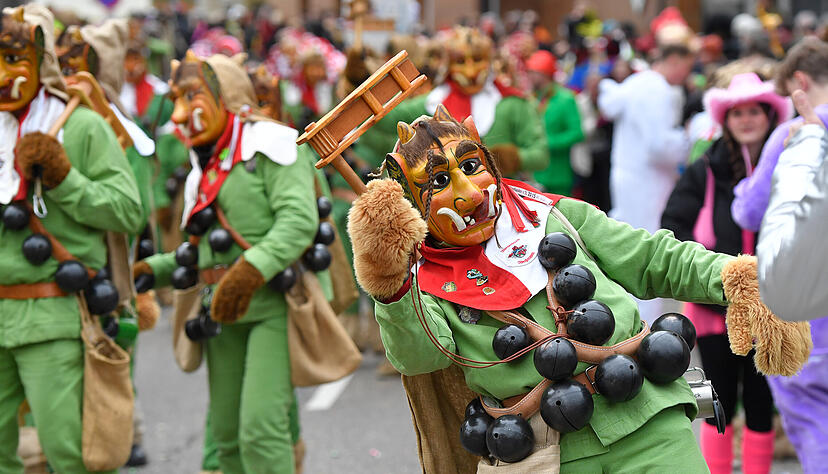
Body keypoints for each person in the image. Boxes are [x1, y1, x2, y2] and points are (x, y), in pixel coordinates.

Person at [345, 104, 810, 473]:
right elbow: (421, 358)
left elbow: (652, 259)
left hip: (646, 419)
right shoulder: (420, 278)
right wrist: (389, 286)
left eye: (471, 165)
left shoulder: (555, 214)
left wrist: (741, 280)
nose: (468, 191)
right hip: (544, 456)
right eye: (440, 182)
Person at [135, 51, 321, 473]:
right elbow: (200, 249)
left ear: (226, 94)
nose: (180, 115)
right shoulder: (206, 163)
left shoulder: (274, 143)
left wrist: (250, 271)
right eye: (177, 99)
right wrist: (152, 271)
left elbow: (297, 221)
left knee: (261, 430)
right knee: (225, 437)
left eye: (192, 97)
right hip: (217, 309)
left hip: (270, 306)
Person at [0, 5, 143, 472]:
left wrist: (64, 179)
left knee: (70, 458)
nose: (2, 75)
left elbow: (127, 210)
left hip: (55, 316)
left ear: (39, 62)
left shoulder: (80, 125)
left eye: (12, 59)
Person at [661, 72, 791, 474]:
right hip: (715, 304)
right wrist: (711, 268)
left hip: (773, 306)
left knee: (759, 399)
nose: (747, 119)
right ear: (726, 118)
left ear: (769, 116)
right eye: (738, 112)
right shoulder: (706, 169)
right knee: (717, 397)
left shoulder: (786, 166)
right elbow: (673, 224)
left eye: (755, 111)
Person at [730, 39, 828, 474]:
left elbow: (748, 211)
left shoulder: (790, 134)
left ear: (801, 83)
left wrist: (744, 187)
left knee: (811, 420)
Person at [597, 44, 694, 324]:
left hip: (628, 177)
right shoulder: (658, 91)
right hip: (651, 183)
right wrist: (688, 140)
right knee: (652, 251)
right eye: (687, 67)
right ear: (674, 59)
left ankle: (634, 317)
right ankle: (648, 324)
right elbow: (659, 145)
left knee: (632, 246)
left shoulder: (636, 83)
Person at [526, 49, 583, 196]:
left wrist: (547, 143)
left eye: (532, 72)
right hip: (534, 175)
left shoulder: (566, 98)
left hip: (558, 176)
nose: (529, 77)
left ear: (543, 74)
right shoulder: (530, 98)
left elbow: (577, 133)